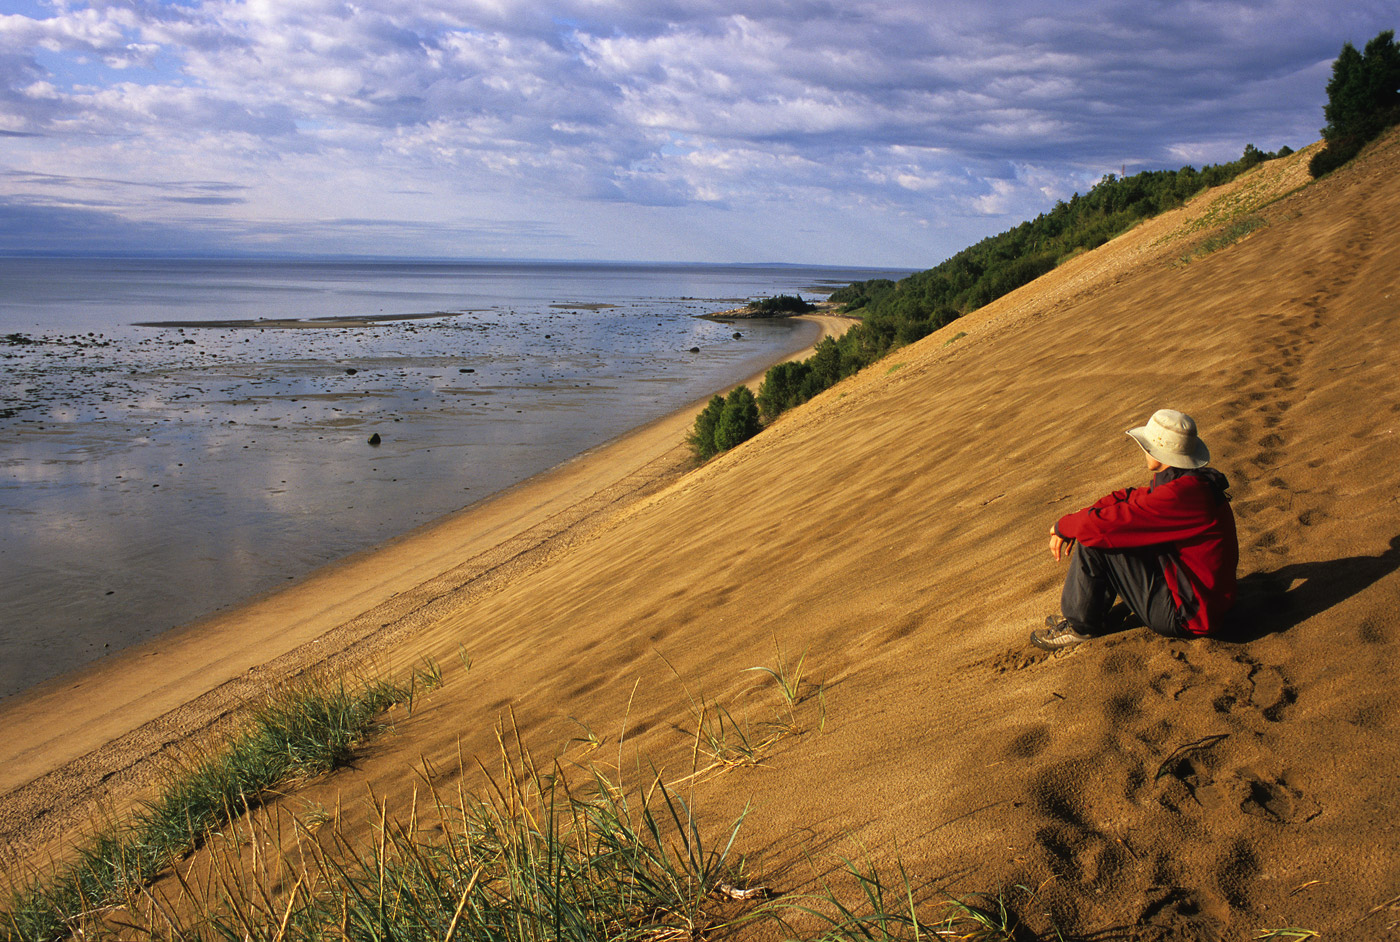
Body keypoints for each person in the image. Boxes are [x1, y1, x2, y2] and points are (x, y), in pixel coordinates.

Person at [1031, 409, 1238, 650]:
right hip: (1203, 601)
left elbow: (1101, 527)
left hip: (1190, 616)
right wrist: (1075, 519)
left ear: (1157, 451)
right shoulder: (1189, 483)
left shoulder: (1180, 495)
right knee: (1106, 528)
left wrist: (1064, 527)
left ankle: (1081, 627)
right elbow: (1128, 497)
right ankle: (1089, 614)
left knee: (1096, 540)